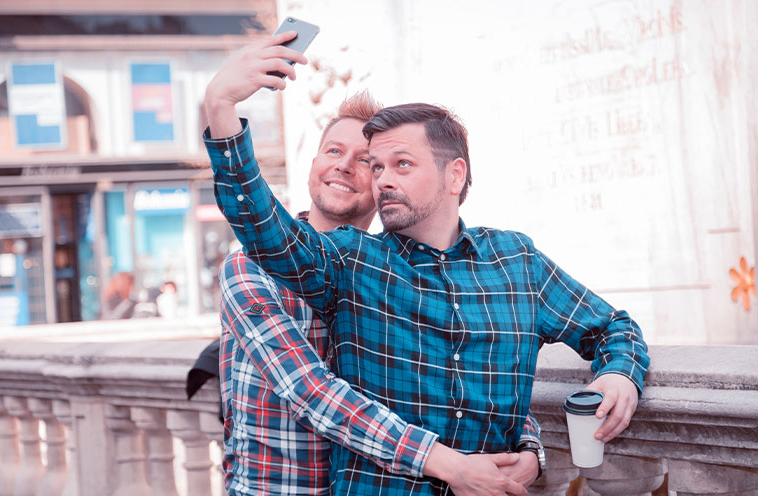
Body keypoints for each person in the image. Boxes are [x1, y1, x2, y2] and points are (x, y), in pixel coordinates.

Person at [205, 33, 651, 496]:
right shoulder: (354, 262)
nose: (379, 178)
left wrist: (614, 377)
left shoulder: (515, 259)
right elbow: (265, 233)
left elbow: (602, 332)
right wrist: (220, 108)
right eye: (376, 167)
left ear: (454, 174)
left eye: (395, 164)